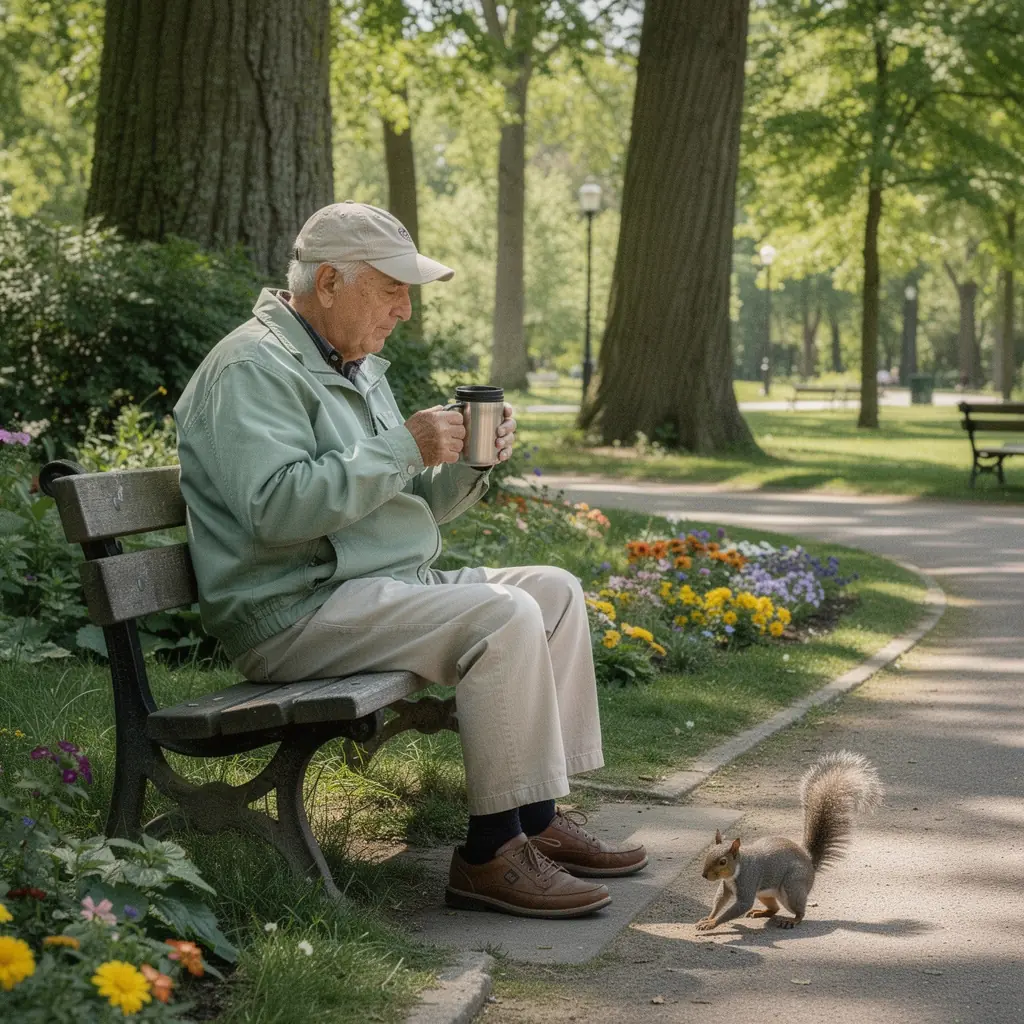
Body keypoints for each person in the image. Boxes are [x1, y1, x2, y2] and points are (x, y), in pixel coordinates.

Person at [173, 202, 646, 919]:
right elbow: (274, 510)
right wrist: (404, 446)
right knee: (505, 614)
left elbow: (408, 503)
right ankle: (490, 856)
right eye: (392, 290)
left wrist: (465, 463)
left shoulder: (351, 365)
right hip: (294, 610)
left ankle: (535, 817)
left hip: (368, 589)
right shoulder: (251, 368)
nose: (405, 311)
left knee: (553, 591)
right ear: (329, 282)